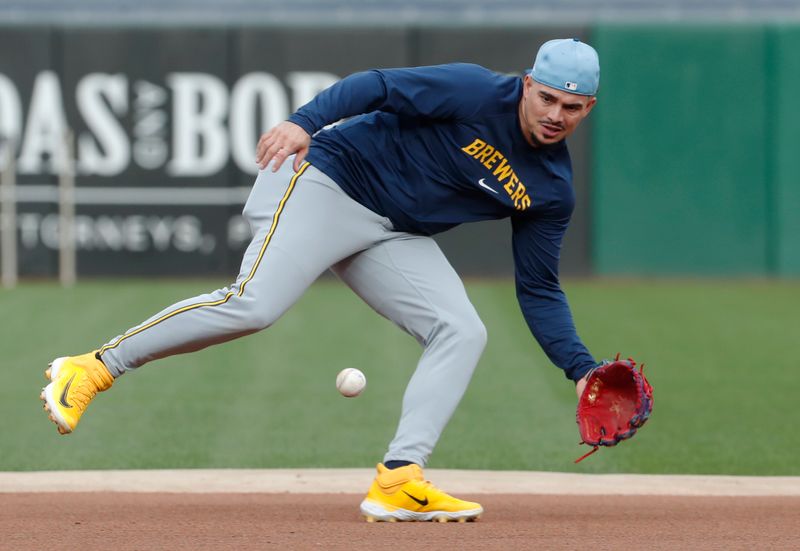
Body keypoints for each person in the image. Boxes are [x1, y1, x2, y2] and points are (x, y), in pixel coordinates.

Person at [41, 38, 600, 522]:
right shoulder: (475, 91)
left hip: (390, 232)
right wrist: (303, 123)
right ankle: (91, 367)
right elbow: (378, 86)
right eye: (546, 97)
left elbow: (539, 288)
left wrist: (581, 369)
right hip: (325, 178)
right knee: (254, 305)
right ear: (527, 84)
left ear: (587, 109)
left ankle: (400, 478)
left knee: (462, 330)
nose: (555, 114)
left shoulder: (551, 188)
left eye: (570, 107)